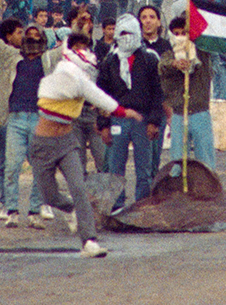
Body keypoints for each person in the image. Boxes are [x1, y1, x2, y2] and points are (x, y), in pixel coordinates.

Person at [31, 31, 144, 258]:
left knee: (79, 187)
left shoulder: (80, 81)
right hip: (42, 145)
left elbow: (100, 97)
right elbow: (97, 96)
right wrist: (122, 110)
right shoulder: (62, 74)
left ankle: (89, 240)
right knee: (50, 196)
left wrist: (122, 111)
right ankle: (70, 208)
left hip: (67, 142)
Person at [0, 16, 61, 226]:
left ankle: (35, 211)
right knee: (12, 166)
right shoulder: (11, 56)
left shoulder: (48, 59)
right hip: (15, 119)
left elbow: (68, 48)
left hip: (40, 118)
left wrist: (80, 26)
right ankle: (11, 210)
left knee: (40, 168)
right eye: (29, 36)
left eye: (37, 36)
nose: (33, 40)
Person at [97, 14, 164, 209]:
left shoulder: (150, 59)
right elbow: (102, 95)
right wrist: (103, 125)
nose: (126, 37)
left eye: (130, 33)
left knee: (144, 168)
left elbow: (157, 93)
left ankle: (142, 207)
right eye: (123, 33)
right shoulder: (110, 61)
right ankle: (117, 207)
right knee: (116, 167)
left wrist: (154, 121)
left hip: (142, 120)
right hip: (118, 120)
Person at [159, 14, 215, 173]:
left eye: (184, 33)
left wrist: (209, 0)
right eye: (176, 34)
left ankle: (208, 195)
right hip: (178, 115)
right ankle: (178, 195)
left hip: (200, 113)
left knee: (206, 164)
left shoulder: (201, 51)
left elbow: (205, 27)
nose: (180, 37)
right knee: (176, 164)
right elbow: (162, 66)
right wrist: (174, 64)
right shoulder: (169, 54)